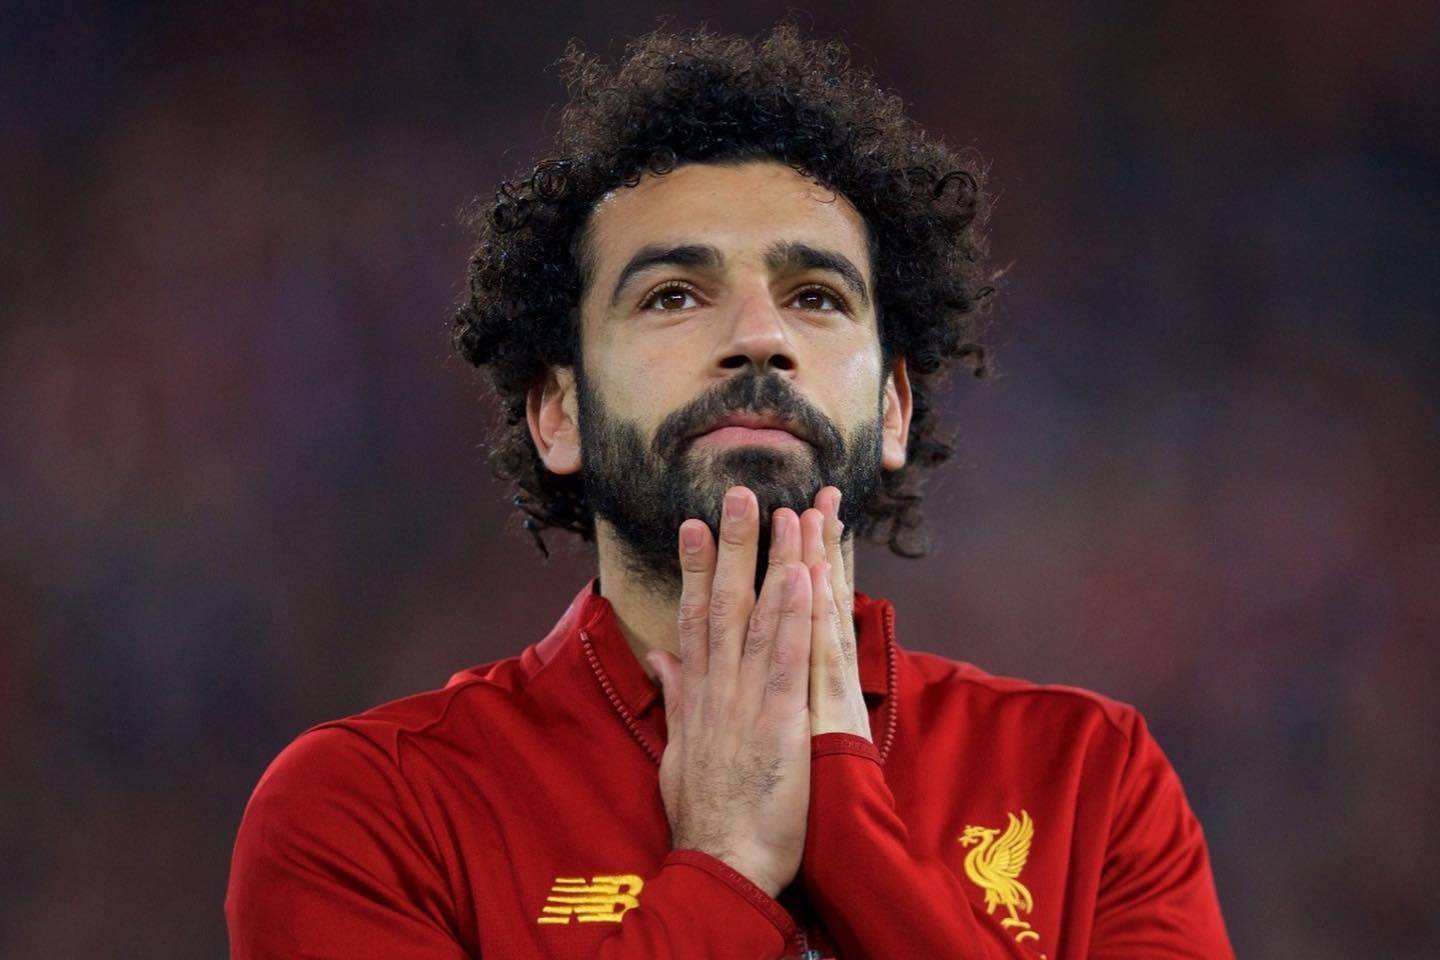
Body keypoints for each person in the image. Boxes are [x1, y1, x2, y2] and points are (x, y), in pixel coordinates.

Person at [225, 23, 1234, 960]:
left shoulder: (1091, 780)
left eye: (815, 296)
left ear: (892, 410)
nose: (760, 336)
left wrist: (851, 829)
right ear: (559, 413)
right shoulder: (373, 807)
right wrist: (726, 867)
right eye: (674, 295)